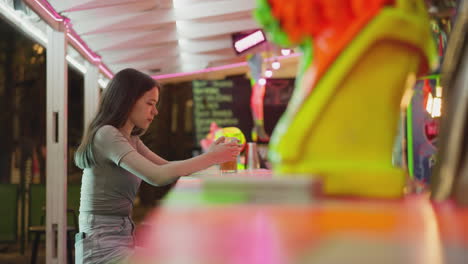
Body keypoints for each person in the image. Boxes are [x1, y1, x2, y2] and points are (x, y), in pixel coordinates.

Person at [74, 68, 240, 264]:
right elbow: (157, 176)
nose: (155, 111)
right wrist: (212, 158)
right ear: (128, 101)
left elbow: (168, 168)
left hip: (120, 239)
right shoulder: (106, 134)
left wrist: (208, 155)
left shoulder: (131, 139)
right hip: (101, 247)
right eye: (150, 103)